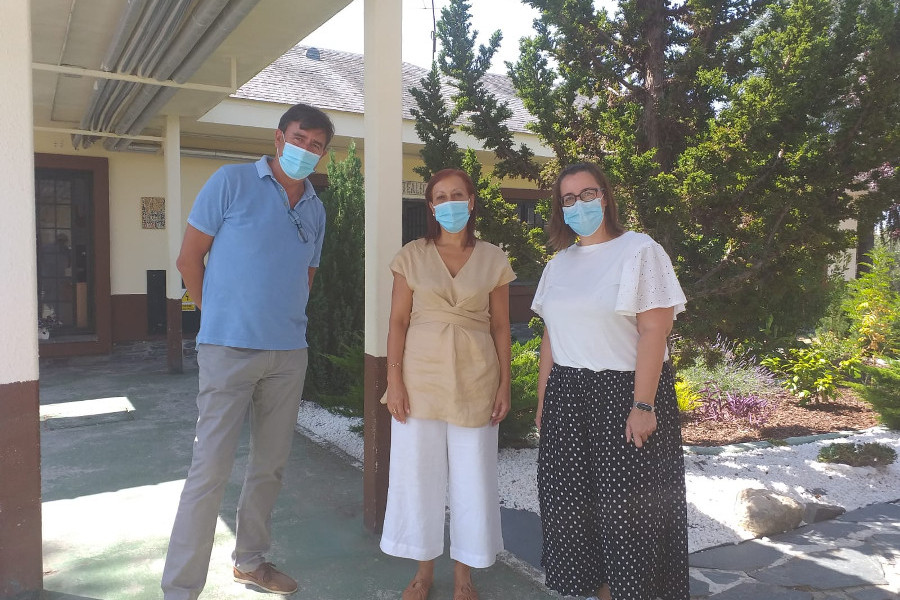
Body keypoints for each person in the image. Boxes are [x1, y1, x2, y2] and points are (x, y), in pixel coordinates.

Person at [161, 103, 334, 600]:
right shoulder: (230, 182)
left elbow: (306, 279)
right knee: (209, 470)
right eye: (298, 138)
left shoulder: (315, 210)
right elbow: (189, 258)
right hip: (227, 351)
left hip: (287, 355)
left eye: (316, 145)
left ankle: (250, 561)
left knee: (269, 465)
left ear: (323, 154)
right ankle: (179, 589)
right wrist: (216, 317)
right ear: (279, 139)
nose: (305, 149)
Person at [531, 162, 690, 600]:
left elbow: (654, 331)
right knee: (571, 510)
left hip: (622, 395)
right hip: (567, 394)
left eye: (587, 193)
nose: (579, 204)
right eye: (568, 199)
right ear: (559, 209)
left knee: (628, 516)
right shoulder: (558, 265)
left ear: (605, 196)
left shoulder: (640, 250)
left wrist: (644, 405)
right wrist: (545, 402)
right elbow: (550, 338)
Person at [380, 168, 515, 600]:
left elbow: (500, 327)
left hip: (476, 376)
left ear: (472, 201)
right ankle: (423, 573)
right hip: (419, 379)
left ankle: (464, 575)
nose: (450, 202)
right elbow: (397, 320)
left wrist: (505, 384)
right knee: (418, 476)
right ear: (431, 206)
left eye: (458, 194)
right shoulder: (411, 255)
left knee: (473, 479)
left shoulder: (493, 258)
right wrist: (393, 381)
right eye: (441, 196)